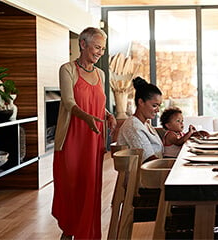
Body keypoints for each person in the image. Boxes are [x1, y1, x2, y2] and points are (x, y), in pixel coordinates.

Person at [52, 27, 117, 240]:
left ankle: (84, 233)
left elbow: (98, 102)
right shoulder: (67, 69)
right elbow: (69, 102)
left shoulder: (101, 74)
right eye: (97, 47)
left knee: (90, 186)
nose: (100, 52)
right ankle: (69, 229)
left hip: (93, 137)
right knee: (71, 184)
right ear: (82, 44)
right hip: (72, 137)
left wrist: (108, 114)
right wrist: (87, 117)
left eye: (103, 49)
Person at [117, 77, 163, 163]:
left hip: (152, 171)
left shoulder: (145, 124)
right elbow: (149, 159)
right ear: (141, 102)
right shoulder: (133, 126)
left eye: (159, 106)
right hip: (142, 175)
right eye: (154, 105)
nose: (157, 110)